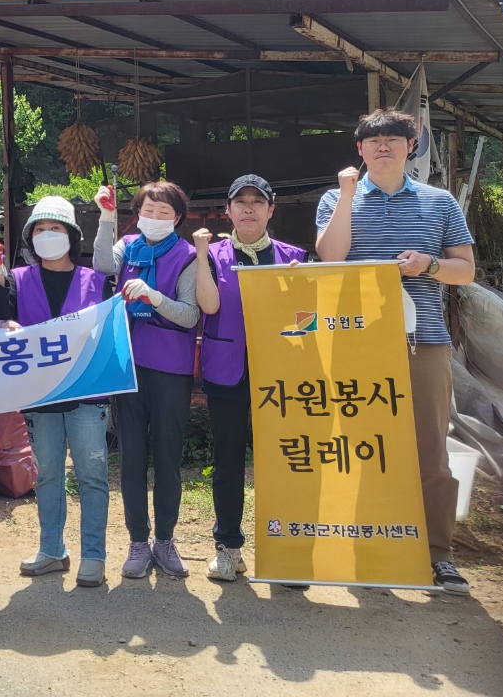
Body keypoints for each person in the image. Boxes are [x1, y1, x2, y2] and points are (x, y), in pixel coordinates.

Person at [316, 110, 476, 595]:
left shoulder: (439, 201)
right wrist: (347, 195)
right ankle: (369, 549)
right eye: (373, 140)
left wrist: (429, 265)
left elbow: (466, 270)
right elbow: (330, 256)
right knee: (362, 449)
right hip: (357, 343)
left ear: (411, 146)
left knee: (430, 452)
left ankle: (438, 554)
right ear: (359, 149)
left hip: (423, 343)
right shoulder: (336, 198)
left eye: (393, 139)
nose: (383, 146)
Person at [0, 196, 110, 588]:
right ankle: (52, 549)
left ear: (71, 235)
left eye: (55, 228)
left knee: (92, 474)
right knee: (48, 474)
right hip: (40, 394)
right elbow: (0, 311)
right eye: (39, 229)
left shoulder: (96, 281)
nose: (47, 235)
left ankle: (94, 555)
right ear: (30, 237)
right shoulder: (18, 279)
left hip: (87, 393)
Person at [192, 175, 305, 583]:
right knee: (228, 460)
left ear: (271, 210)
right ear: (228, 210)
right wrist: (201, 255)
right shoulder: (211, 255)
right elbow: (208, 305)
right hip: (228, 370)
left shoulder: (294, 258)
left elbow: (307, 321)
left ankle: (286, 553)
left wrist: (299, 290)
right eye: (240, 201)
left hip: (280, 372)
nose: (249, 208)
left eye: (258, 201)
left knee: (284, 459)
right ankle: (228, 548)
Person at [92, 179, 201, 580]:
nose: (155, 217)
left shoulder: (188, 257)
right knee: (132, 455)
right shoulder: (127, 248)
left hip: (170, 368)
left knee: (168, 456)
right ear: (137, 214)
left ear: (177, 217)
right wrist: (106, 217)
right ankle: (138, 541)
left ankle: (165, 540)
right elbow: (102, 265)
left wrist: (154, 297)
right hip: (127, 366)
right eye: (148, 210)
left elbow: (190, 315)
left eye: (164, 212)